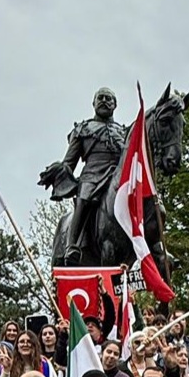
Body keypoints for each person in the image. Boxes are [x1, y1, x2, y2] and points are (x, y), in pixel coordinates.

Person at [40, 86, 128, 264]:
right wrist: (60, 171)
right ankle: (72, 245)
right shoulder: (83, 129)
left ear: (115, 105)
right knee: (84, 198)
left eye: (108, 98)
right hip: (92, 174)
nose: (104, 101)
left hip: (117, 176)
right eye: (100, 98)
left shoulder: (124, 132)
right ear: (93, 103)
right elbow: (70, 161)